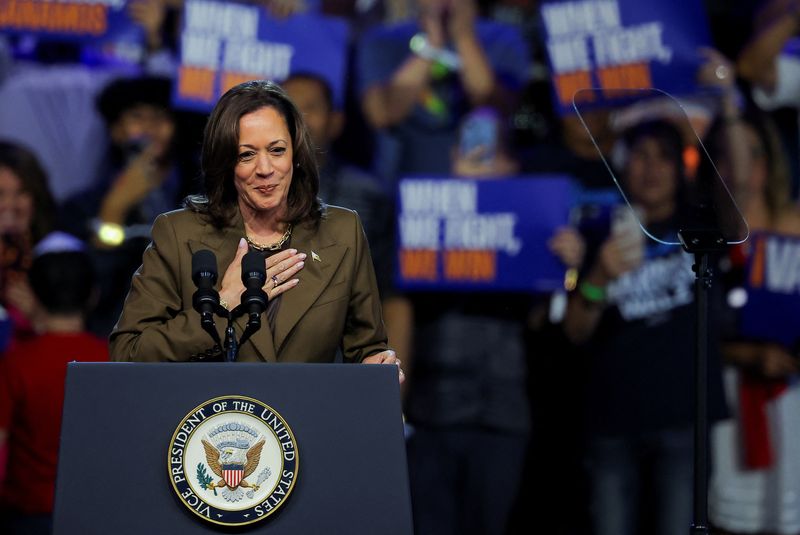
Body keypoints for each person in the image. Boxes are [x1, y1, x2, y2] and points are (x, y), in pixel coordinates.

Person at [110, 80, 400, 373]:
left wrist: (378, 363)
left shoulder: (342, 232)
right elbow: (128, 354)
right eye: (246, 154)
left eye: (276, 150)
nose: (265, 169)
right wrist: (223, 305)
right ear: (225, 161)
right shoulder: (179, 234)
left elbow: (367, 348)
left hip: (306, 416)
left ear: (296, 155)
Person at [562, 119, 727, 535]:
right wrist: (598, 276)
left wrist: (727, 105)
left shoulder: (705, 225)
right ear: (622, 166)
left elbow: (741, 180)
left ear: (682, 168)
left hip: (683, 419)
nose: (651, 168)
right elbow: (575, 331)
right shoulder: (594, 231)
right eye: (640, 156)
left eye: (664, 157)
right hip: (611, 421)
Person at [705, 109, 800, 535]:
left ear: (769, 163)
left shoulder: (795, 230)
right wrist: (748, 354)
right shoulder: (703, 243)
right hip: (729, 414)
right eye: (724, 155)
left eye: (750, 153)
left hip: (791, 407)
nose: (738, 167)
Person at [0, 233, 109, 535]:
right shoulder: (114, 360)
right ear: (93, 295)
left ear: (32, 296)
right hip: (100, 515)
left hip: (27, 519)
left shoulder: (16, 362)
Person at [0, 141, 56, 350]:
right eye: (0, 194)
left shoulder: (57, 258)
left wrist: (38, 316)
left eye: (22, 192)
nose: (10, 205)